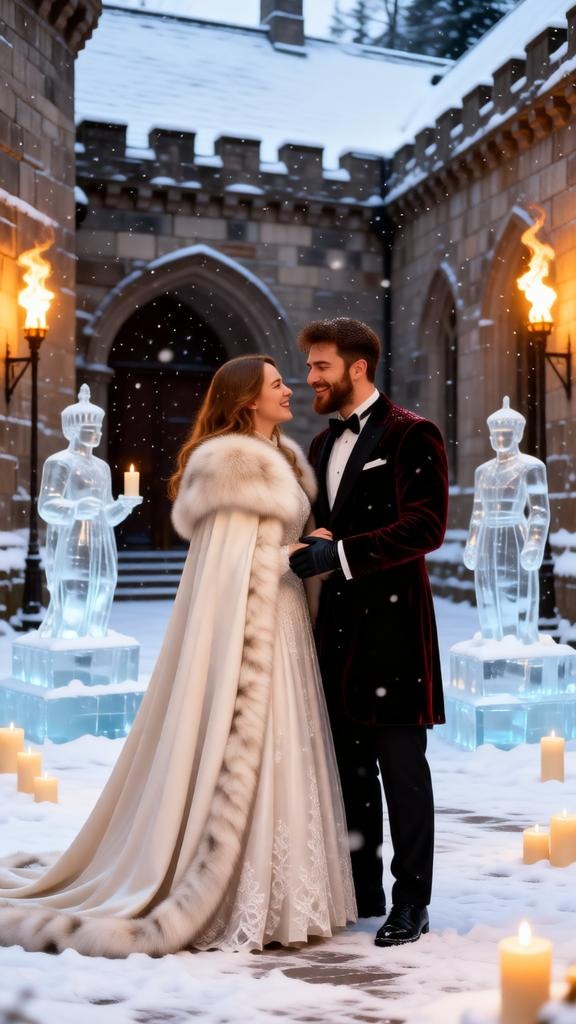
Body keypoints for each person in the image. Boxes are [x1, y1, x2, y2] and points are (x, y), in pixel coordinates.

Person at [0, 355, 355, 957]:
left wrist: (309, 543)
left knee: (284, 744)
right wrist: (300, 551)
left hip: (286, 620)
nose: (288, 391)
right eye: (275, 385)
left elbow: (264, 546)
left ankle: (284, 891)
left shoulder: (285, 458)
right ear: (248, 400)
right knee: (250, 741)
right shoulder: (232, 464)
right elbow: (232, 562)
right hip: (249, 626)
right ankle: (232, 890)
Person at [290, 318, 448, 947]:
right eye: (307, 367)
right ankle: (362, 889)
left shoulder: (413, 434)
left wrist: (343, 554)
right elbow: (323, 527)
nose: (309, 379)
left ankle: (413, 901)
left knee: (403, 773)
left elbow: (427, 526)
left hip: (395, 634)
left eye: (320, 366)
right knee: (350, 770)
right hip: (335, 634)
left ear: (356, 367)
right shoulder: (321, 446)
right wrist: (316, 545)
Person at [38, 383, 142, 639]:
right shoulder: (59, 462)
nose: (96, 433)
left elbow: (106, 514)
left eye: (98, 428)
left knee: (102, 591)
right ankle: (69, 643)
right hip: (74, 542)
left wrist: (123, 506)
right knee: (75, 594)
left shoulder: (102, 467)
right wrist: (75, 508)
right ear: (73, 430)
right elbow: (47, 505)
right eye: (89, 428)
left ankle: (94, 642)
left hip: (102, 543)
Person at [463, 396, 549, 644]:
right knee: (488, 591)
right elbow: (478, 511)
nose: (501, 438)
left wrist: (534, 543)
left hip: (516, 533)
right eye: (497, 433)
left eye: (506, 433)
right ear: (490, 437)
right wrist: (472, 543)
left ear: (518, 435)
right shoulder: (483, 472)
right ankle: (492, 640)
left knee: (519, 591)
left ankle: (521, 640)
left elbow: (540, 511)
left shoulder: (531, 467)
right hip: (488, 538)